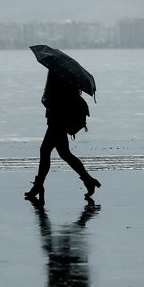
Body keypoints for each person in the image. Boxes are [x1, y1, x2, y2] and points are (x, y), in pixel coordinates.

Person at [25, 71, 101, 204]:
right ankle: (88, 180)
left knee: (46, 151)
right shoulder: (66, 77)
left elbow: (56, 100)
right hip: (59, 120)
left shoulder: (59, 77)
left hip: (58, 120)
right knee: (65, 154)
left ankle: (38, 186)